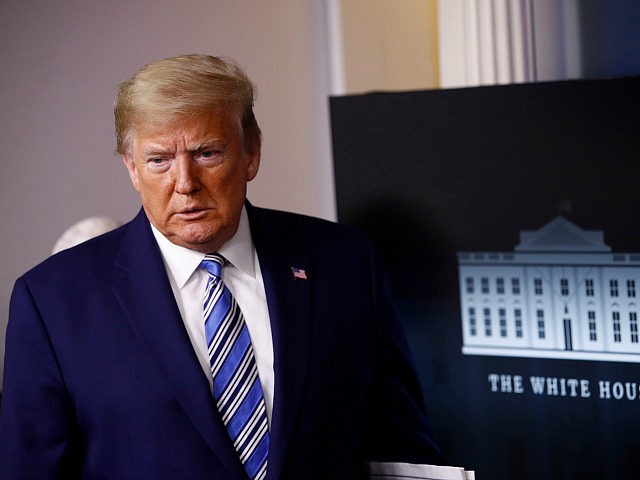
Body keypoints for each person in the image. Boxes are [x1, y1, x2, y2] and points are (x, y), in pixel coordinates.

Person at [0, 54, 446, 479]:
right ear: (132, 169)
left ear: (250, 153)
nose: (186, 184)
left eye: (207, 153)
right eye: (159, 160)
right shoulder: (54, 301)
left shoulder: (343, 263)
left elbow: (400, 447)